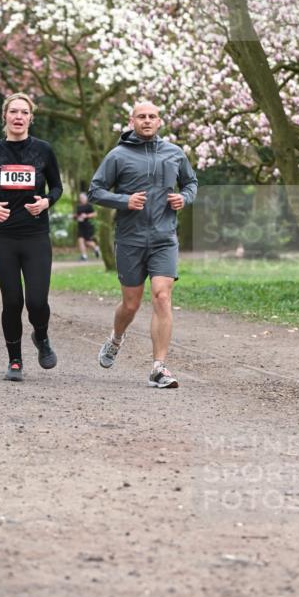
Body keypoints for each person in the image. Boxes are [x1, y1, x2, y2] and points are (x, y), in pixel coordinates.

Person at [88, 100, 197, 388]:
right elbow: (95, 191)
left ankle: (159, 368)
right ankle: (116, 338)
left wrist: (184, 198)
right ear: (131, 121)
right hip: (130, 239)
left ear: (160, 121)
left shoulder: (174, 153)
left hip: (164, 238)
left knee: (162, 296)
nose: (147, 120)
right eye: (141, 117)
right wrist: (124, 201)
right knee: (131, 304)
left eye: (152, 116)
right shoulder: (117, 156)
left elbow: (191, 183)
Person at [0, 92, 63, 381]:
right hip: (3, 237)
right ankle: (14, 361)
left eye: (24, 112)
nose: (19, 117)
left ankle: (42, 337)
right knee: (12, 301)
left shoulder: (43, 151)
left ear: (30, 118)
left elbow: (57, 187)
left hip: (35, 235)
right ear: (5, 116)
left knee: (36, 301)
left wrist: (47, 201)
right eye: (14, 112)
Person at [75, 191, 101, 260]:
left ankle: (96, 248)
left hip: (88, 226)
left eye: (83, 197)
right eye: (80, 198)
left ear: (86, 198)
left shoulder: (89, 205)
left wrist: (86, 215)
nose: (81, 199)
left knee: (87, 242)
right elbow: (77, 215)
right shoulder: (78, 206)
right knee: (80, 240)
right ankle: (84, 256)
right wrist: (75, 217)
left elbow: (95, 214)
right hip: (80, 226)